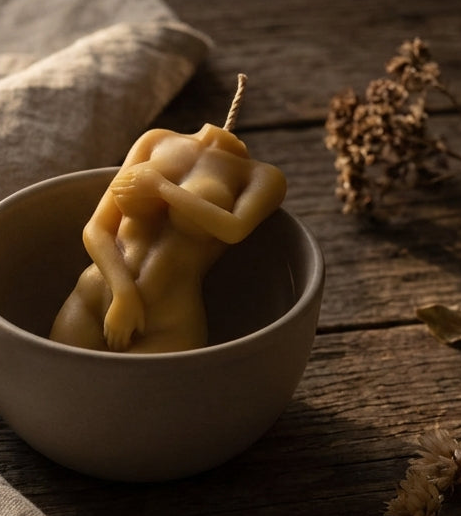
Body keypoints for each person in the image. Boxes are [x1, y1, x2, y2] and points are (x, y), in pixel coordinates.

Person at [50, 90, 286, 353]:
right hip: (95, 295)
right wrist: (123, 293)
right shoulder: (155, 140)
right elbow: (96, 228)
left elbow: (233, 229)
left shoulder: (261, 176)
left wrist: (161, 187)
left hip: (168, 318)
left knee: (140, 393)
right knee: (49, 381)